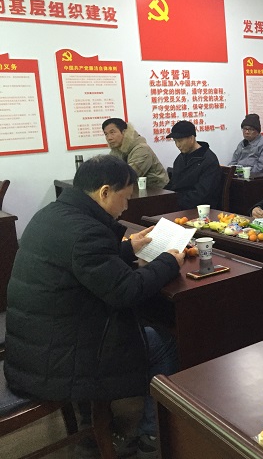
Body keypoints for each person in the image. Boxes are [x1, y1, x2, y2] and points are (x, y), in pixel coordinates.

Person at [4, 155, 185, 458]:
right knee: (165, 343)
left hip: (35, 347)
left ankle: (92, 421)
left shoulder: (52, 214)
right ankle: (151, 434)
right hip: (60, 360)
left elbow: (84, 261)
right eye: (125, 197)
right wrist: (168, 260)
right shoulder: (87, 232)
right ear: (104, 192)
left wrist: (128, 247)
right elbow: (127, 291)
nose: (126, 206)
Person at [164, 120, 222, 210]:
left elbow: (202, 193)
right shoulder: (180, 158)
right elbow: (173, 184)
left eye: (180, 141)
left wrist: (174, 204)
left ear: (191, 138)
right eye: (175, 141)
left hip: (199, 209)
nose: (177, 145)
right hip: (179, 204)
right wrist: (163, 197)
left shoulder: (209, 160)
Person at [103, 118, 170, 188]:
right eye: (106, 134)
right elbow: (108, 170)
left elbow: (129, 176)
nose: (109, 138)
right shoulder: (117, 149)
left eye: (112, 132)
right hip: (137, 188)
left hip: (158, 190)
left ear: (124, 132)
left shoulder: (142, 149)